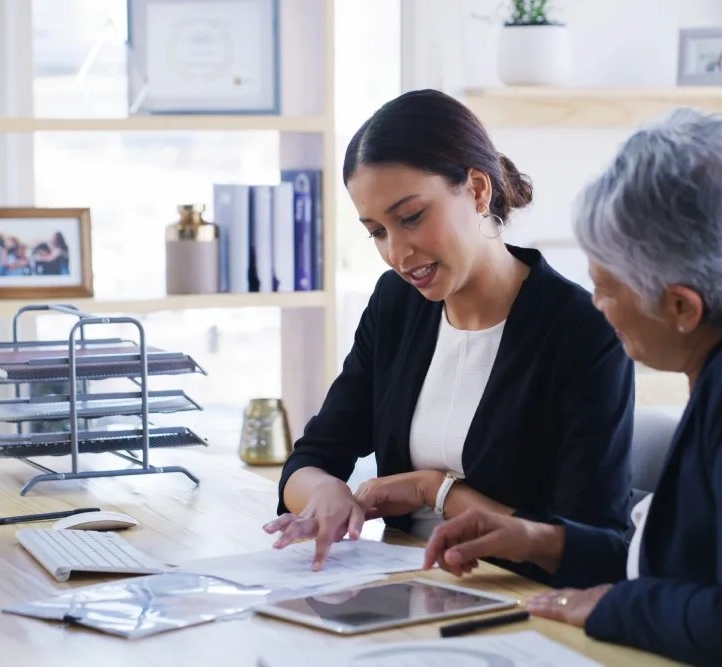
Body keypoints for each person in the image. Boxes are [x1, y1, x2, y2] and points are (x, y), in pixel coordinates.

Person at [423, 108, 722, 666]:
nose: (597, 306)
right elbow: (694, 567)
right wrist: (539, 540)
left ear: (682, 306)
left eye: (606, 288)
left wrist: (610, 606)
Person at [264, 89, 635, 576]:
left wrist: (436, 490)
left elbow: (597, 548)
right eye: (377, 232)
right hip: (403, 585)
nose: (397, 254)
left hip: (516, 598)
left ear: (477, 190)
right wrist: (324, 491)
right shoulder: (395, 305)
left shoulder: (583, 330)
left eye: (411, 217)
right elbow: (313, 456)